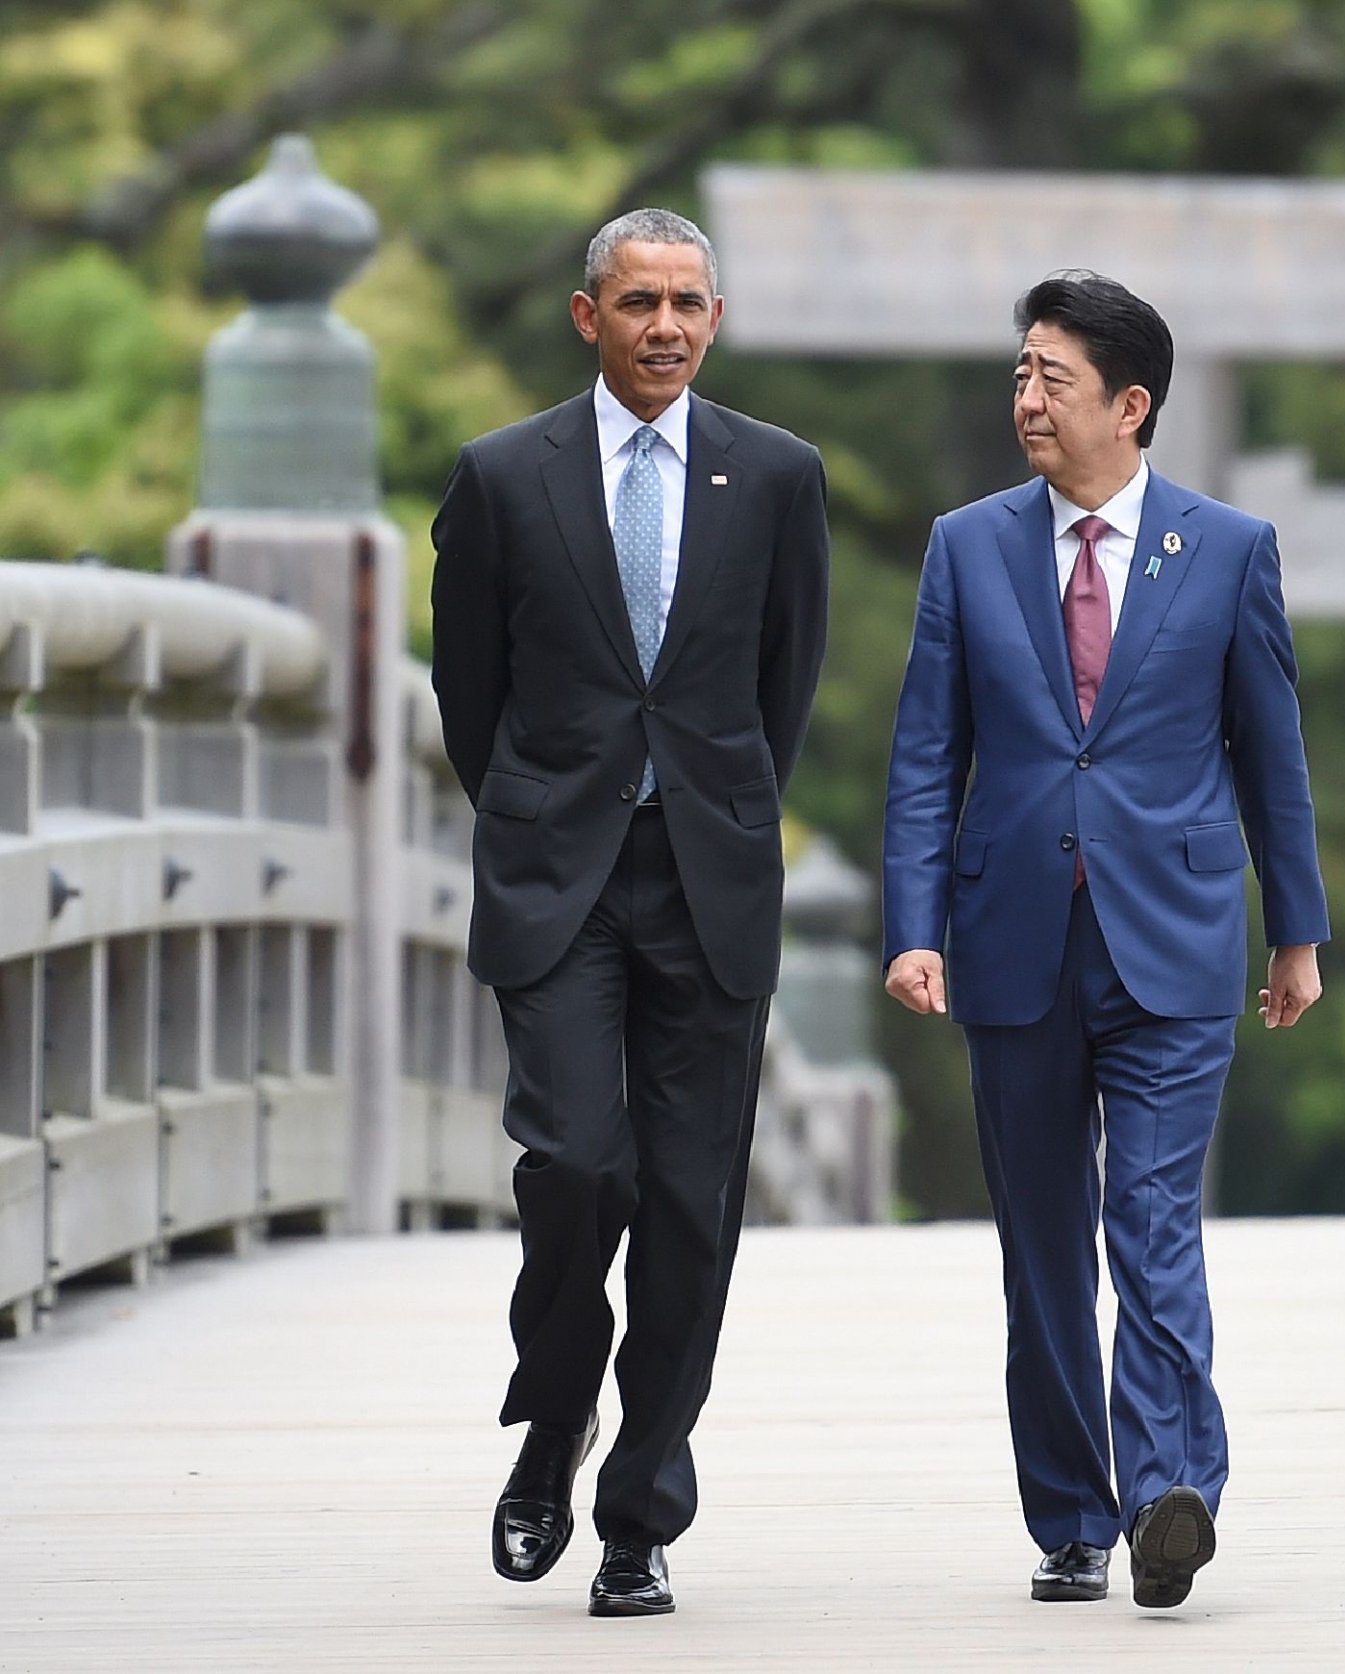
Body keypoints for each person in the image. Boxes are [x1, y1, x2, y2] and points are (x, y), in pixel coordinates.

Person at [881, 270, 1328, 1609]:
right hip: (1011, 935)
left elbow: (1273, 752)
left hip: (1176, 939)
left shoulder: (1229, 550)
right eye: (1019, 373)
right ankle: (1071, 1512)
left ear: (1130, 406)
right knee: (1044, 1240)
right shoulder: (967, 546)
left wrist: (1296, 928)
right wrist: (914, 927)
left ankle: (1166, 1491)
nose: (1025, 397)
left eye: (1051, 378)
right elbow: (924, 753)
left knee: (1150, 1218)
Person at [430, 207, 830, 1618]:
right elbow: (468, 698)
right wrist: (556, 808)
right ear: (587, 314)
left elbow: (782, 687)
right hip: (561, 880)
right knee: (577, 1163)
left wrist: (708, 809)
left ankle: (638, 1514)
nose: (666, 325)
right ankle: (554, 1409)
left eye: (690, 302)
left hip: (708, 877)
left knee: (689, 1208)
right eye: (640, 300)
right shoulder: (500, 476)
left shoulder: (777, 476)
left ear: (714, 319)